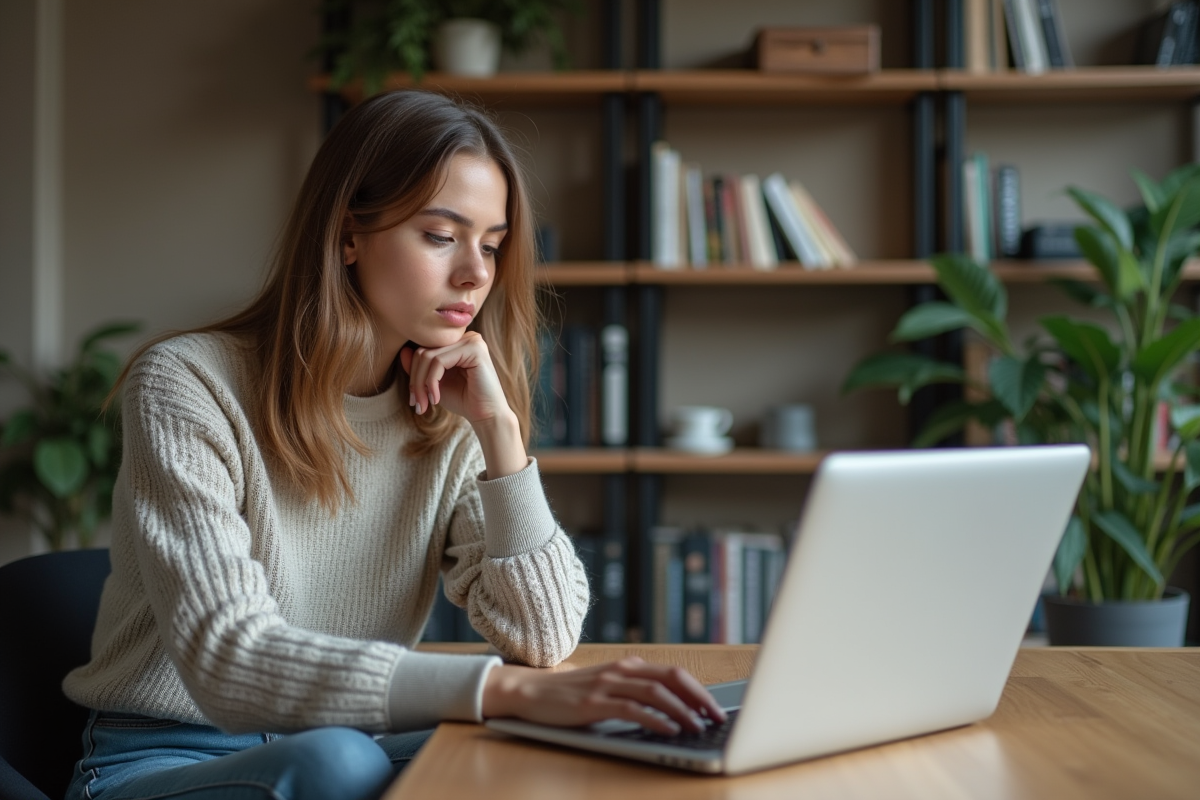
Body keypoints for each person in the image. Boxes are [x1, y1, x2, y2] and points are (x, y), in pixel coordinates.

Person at [62, 90, 724, 800]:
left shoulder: (448, 412)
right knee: (340, 765)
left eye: (492, 246)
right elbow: (228, 659)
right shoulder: (189, 383)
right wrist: (504, 693)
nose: (475, 273)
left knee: (560, 746)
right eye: (441, 235)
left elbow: (544, 636)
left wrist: (501, 437)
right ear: (349, 234)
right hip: (165, 762)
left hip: (348, 744)